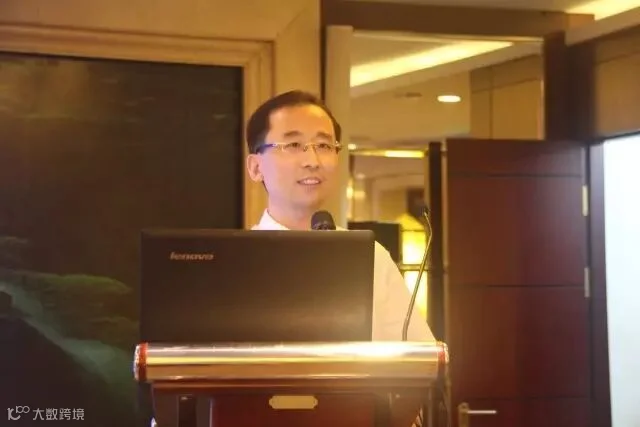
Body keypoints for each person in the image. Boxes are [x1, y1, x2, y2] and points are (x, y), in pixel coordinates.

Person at [245, 90, 435, 342]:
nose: (312, 161)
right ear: (256, 167)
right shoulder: (237, 262)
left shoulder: (369, 256)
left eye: (324, 146)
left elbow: (417, 353)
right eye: (293, 145)